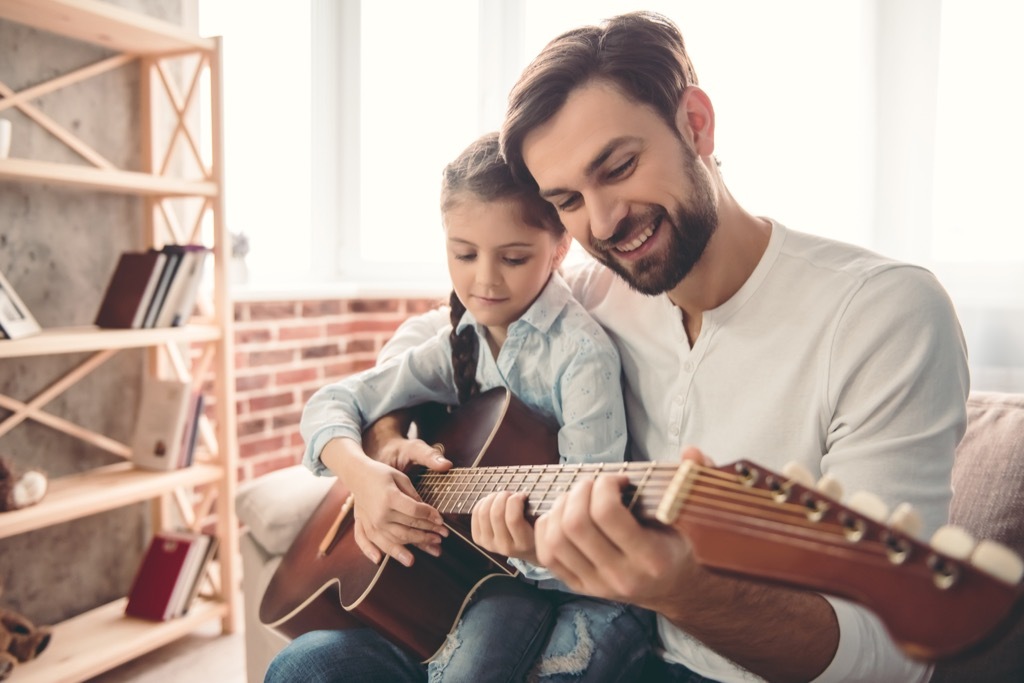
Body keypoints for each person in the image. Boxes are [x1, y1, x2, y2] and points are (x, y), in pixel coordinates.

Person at [367, 11, 971, 683]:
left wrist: (683, 588)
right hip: (600, 632)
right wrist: (384, 446)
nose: (603, 222)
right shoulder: (592, 293)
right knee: (315, 663)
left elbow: (890, 655)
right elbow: (427, 338)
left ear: (697, 124)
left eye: (619, 166)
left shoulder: (883, 316)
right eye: (567, 199)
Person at [265, 132, 654, 683]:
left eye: (514, 257)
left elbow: (584, 523)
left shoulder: (580, 356)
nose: (484, 280)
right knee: (298, 669)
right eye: (463, 254)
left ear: (560, 247)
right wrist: (366, 477)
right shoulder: (461, 344)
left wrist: (524, 541)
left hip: (530, 582)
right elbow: (333, 402)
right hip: (466, 572)